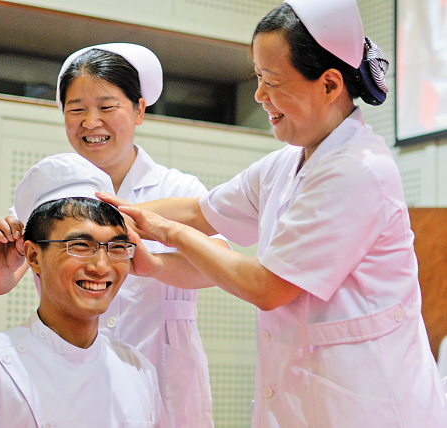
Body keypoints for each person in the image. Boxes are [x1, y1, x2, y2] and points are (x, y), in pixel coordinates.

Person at [97, 1, 447, 426]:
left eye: (273, 82)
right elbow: (199, 211)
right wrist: (95, 217)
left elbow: (267, 286)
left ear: (331, 84)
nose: (261, 96)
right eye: (258, 79)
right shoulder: (287, 162)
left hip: (372, 406)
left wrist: (169, 234)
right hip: (302, 402)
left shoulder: (359, 170)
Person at [0, 43, 227, 427]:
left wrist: (154, 265)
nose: (91, 122)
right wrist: (0, 265)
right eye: (76, 109)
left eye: (107, 107)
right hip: (68, 379)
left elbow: (220, 267)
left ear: (140, 110)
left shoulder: (178, 187)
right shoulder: (50, 192)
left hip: (164, 381)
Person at [0, 153, 168, 428]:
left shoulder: (138, 369)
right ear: (34, 257)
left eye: (117, 247)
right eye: (80, 246)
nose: (101, 265)